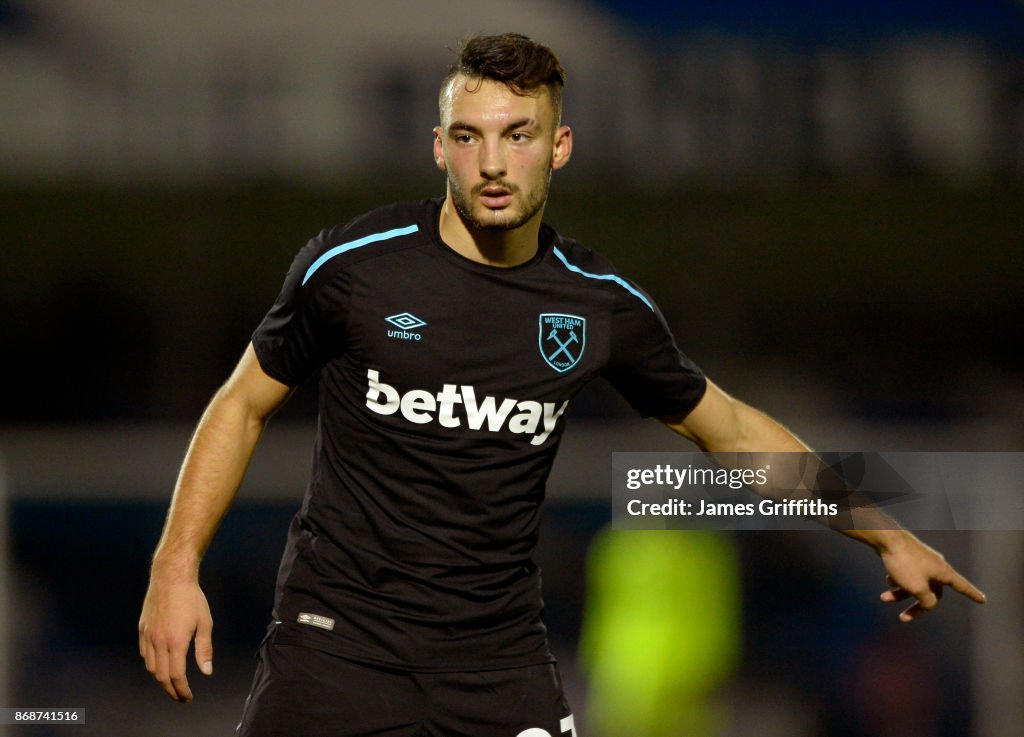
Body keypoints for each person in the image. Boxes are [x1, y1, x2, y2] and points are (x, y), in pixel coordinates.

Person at [138, 32, 986, 737]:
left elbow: (728, 426)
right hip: (335, 649)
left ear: (560, 145)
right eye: (469, 136)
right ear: (439, 147)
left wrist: (884, 533)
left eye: (518, 133)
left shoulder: (598, 306)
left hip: (496, 666)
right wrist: (175, 568)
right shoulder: (353, 268)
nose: (492, 162)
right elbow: (241, 402)